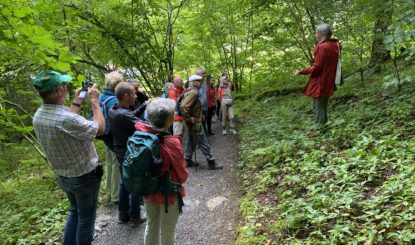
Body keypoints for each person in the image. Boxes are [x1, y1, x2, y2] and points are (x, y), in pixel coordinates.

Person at [32, 70, 105, 245]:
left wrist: (78, 100)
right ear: (58, 90)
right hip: (84, 176)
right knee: (86, 219)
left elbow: (68, 121)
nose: (66, 88)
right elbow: (99, 129)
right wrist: (95, 102)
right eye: (64, 86)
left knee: (74, 212)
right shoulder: (64, 119)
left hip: (64, 176)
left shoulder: (39, 115)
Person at [135, 98, 188, 245]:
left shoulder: (139, 135)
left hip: (147, 190)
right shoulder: (171, 142)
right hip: (168, 193)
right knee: (168, 228)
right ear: (169, 121)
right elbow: (182, 175)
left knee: (151, 224)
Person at [109, 81, 148, 226]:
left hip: (120, 150)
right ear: (126, 96)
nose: (136, 95)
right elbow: (143, 126)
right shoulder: (124, 114)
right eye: (133, 93)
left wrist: (144, 105)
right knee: (136, 182)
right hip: (129, 152)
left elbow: (130, 116)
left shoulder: (114, 109)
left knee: (125, 183)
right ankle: (135, 216)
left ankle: (123, 215)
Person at [295, 23, 341, 124]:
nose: (316, 35)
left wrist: (301, 71)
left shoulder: (322, 47)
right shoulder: (336, 45)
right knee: (323, 103)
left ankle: (320, 128)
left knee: (318, 105)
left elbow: (317, 68)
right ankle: (324, 124)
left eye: (317, 33)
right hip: (329, 79)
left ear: (323, 34)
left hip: (320, 81)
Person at [180, 74, 222, 170]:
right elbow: (184, 107)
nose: (201, 83)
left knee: (191, 141)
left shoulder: (189, 91)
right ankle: (211, 162)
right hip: (194, 123)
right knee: (203, 142)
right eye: (199, 81)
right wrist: (190, 119)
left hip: (192, 122)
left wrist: (199, 114)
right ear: (193, 82)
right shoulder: (193, 93)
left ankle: (187, 160)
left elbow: (193, 107)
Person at [99, 71, 123, 205]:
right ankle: (116, 195)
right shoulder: (114, 100)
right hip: (114, 138)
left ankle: (109, 190)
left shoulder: (100, 97)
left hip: (104, 135)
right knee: (117, 166)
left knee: (109, 164)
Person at [194, 67, 208, 133]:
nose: (204, 75)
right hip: (198, 109)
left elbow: (205, 94)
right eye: (203, 73)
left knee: (204, 122)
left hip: (205, 107)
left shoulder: (204, 83)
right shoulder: (193, 83)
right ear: (198, 74)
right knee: (199, 124)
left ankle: (204, 137)